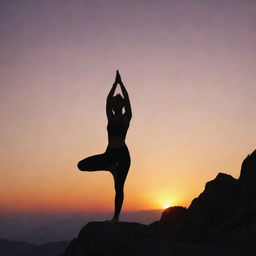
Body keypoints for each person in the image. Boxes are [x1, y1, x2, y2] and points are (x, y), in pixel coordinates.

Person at [77, 70, 132, 222]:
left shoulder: (126, 118)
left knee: (119, 187)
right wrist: (114, 85)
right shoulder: (110, 118)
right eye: (113, 104)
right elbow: (107, 102)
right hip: (109, 153)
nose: (114, 105)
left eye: (117, 103)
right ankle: (109, 167)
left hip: (123, 155)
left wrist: (121, 83)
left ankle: (116, 217)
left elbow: (127, 100)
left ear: (120, 105)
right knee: (81, 165)